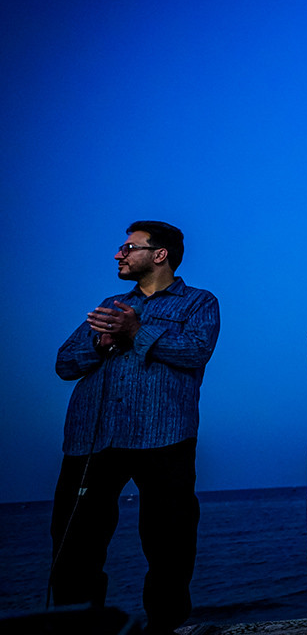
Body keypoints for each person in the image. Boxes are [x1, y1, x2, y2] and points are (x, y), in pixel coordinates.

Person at [50, 221, 220, 635]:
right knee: (75, 543)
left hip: (164, 436)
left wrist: (137, 332)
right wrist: (100, 343)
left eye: (129, 248)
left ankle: (165, 628)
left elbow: (196, 352)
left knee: (170, 542)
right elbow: (64, 364)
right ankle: (80, 628)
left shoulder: (198, 302)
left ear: (160, 255)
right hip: (93, 438)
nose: (118, 254)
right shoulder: (110, 305)